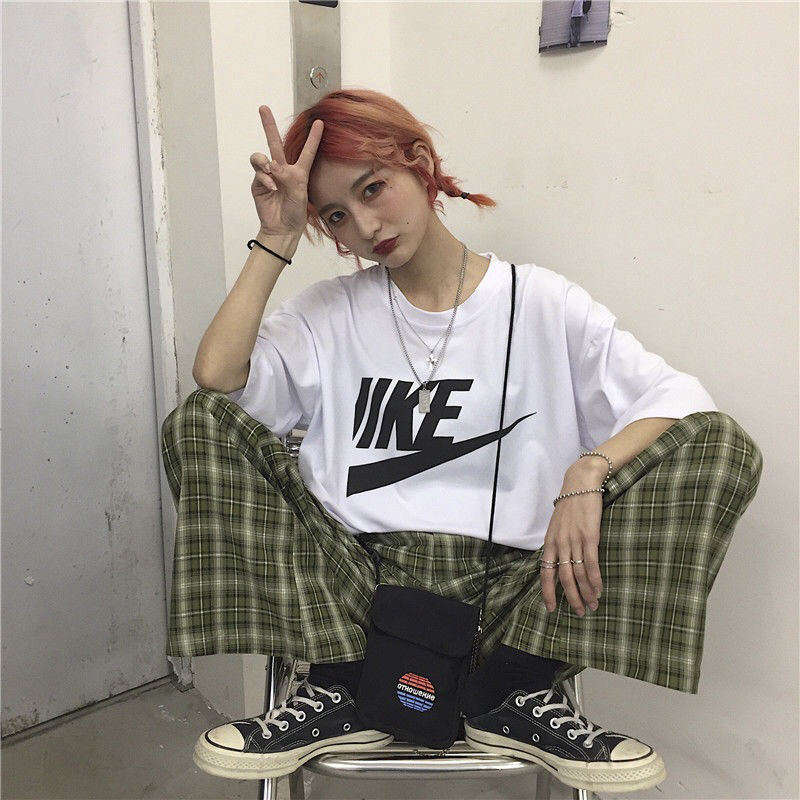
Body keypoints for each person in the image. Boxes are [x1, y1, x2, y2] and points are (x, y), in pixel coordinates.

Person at [161, 89, 762, 793]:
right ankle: (342, 686)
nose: (365, 225)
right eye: (336, 216)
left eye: (372, 188)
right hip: (351, 583)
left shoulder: (541, 302)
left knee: (721, 448)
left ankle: (513, 691)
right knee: (196, 423)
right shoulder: (327, 313)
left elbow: (684, 405)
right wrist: (281, 236)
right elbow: (217, 377)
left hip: (518, 586)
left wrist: (588, 470)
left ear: (419, 162)